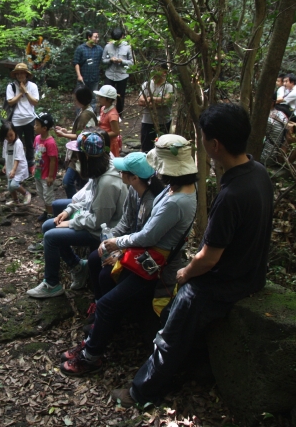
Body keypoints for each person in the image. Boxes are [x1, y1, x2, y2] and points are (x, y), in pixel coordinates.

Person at [111, 103, 274, 407]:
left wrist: (185, 273)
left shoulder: (231, 194)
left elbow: (209, 259)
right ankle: (193, 368)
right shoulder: (258, 172)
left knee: (171, 329)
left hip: (224, 282)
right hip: (252, 273)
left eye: (203, 137)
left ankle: (141, 392)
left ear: (214, 145)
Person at [61, 144, 197, 376]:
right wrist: (113, 242)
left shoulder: (174, 201)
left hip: (154, 267)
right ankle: (101, 329)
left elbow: (148, 235)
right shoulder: (172, 190)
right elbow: (130, 224)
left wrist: (117, 245)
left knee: (108, 301)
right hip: (143, 256)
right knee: (99, 267)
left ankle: (91, 356)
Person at [27, 130, 128, 299]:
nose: (75, 158)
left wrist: (72, 223)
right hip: (93, 219)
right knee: (48, 225)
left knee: (51, 237)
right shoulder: (101, 169)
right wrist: (69, 211)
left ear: (86, 157)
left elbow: (98, 221)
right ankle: (77, 266)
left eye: (77, 154)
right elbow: (86, 196)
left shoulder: (108, 182)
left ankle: (52, 283)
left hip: (105, 232)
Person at [54, 86, 98, 198]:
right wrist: (66, 131)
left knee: (67, 182)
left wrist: (64, 135)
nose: (74, 102)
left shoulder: (85, 115)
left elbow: (81, 136)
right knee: (82, 183)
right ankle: (81, 202)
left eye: (75, 99)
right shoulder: (85, 111)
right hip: (80, 154)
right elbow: (80, 131)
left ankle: (74, 203)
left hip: (81, 155)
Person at [6, 63, 40, 174]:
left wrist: (25, 91)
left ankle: (30, 164)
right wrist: (20, 92)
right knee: (16, 144)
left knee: (30, 143)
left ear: (26, 74)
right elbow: (10, 102)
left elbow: (35, 102)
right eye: (18, 73)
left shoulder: (33, 86)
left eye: (22, 73)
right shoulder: (11, 86)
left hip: (30, 119)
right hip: (16, 120)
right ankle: (18, 167)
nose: (20, 75)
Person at [138, 63, 174, 152]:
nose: (153, 72)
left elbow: (166, 101)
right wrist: (158, 102)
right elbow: (140, 101)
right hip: (147, 121)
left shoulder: (169, 86)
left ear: (164, 72)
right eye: (153, 69)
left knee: (163, 149)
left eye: (157, 70)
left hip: (164, 122)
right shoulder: (146, 84)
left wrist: (150, 98)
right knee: (146, 148)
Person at [0, 121, 32, 206]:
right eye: (6, 136)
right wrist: (5, 165)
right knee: (10, 186)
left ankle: (26, 194)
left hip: (19, 167)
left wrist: (13, 170)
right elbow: (6, 154)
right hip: (10, 165)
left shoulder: (18, 143)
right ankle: (15, 201)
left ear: (15, 132)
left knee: (14, 184)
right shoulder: (6, 142)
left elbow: (17, 158)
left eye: (11, 135)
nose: (9, 138)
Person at [102, 28, 133, 116]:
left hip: (122, 75)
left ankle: (118, 115)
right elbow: (103, 60)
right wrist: (110, 60)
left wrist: (122, 61)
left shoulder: (127, 47)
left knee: (120, 96)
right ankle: (105, 113)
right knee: (106, 94)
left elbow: (132, 62)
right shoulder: (108, 46)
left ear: (122, 36)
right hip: (110, 74)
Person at [73, 30, 103, 110]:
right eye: (95, 37)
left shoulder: (99, 49)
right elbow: (76, 63)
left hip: (94, 78)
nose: (97, 39)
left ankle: (91, 116)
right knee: (81, 98)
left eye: (98, 37)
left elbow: (104, 59)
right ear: (89, 37)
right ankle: (80, 117)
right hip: (83, 78)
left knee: (93, 98)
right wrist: (79, 75)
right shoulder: (80, 49)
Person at [95, 85, 122, 157]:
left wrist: (101, 134)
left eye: (101, 97)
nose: (98, 98)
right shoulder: (103, 108)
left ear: (109, 100)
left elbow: (116, 132)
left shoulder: (112, 115)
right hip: (102, 140)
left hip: (110, 143)